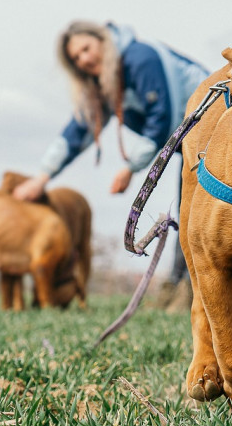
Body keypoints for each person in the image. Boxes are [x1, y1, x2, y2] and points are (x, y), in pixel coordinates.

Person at [13, 20, 210, 310]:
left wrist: (131, 167)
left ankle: (187, 291)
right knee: (187, 210)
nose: (83, 59)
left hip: (215, 129)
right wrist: (42, 176)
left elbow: (163, 117)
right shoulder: (106, 83)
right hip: (190, 143)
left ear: (103, 41)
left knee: (194, 211)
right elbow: (79, 130)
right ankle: (178, 288)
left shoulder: (140, 58)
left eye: (86, 49)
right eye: (76, 58)